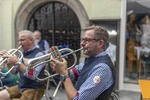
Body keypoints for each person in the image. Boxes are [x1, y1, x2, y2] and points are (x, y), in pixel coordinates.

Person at [50, 25, 115, 100]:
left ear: (100, 43)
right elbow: (70, 74)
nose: (82, 43)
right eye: (82, 39)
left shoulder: (102, 68)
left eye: (87, 40)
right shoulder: (91, 60)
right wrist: (59, 64)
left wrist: (63, 72)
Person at [0, 30, 45, 100]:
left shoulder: (39, 54)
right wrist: (8, 62)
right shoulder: (22, 54)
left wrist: (18, 62)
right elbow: (14, 72)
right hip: (21, 86)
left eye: (22, 40)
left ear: (31, 40)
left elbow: (32, 76)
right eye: (19, 40)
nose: (20, 43)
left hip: (34, 89)